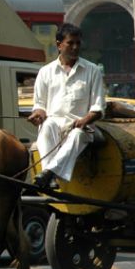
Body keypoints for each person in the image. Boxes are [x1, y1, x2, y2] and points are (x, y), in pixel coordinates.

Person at [27, 23, 106, 189]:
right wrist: (38, 114)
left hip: (81, 127)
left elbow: (98, 107)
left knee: (77, 135)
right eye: (71, 43)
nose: (75, 47)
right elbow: (40, 104)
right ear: (59, 44)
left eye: (78, 43)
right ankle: (51, 177)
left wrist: (85, 119)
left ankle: (48, 172)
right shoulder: (45, 72)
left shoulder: (92, 71)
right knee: (46, 125)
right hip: (54, 125)